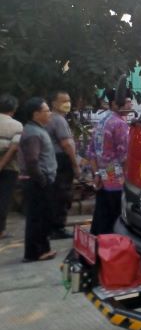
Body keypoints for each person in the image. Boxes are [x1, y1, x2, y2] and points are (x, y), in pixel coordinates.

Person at [88, 89, 131, 235]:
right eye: (127, 101)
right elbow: (124, 156)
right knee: (116, 218)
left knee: (101, 215)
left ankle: (96, 246)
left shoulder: (102, 121)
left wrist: (96, 173)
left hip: (103, 174)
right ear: (114, 104)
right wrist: (128, 179)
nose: (130, 104)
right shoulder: (120, 124)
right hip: (117, 177)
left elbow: (92, 152)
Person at [20, 97, 57, 262]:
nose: (50, 113)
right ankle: (37, 252)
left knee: (41, 217)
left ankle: (40, 250)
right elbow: (32, 160)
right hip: (37, 182)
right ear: (36, 114)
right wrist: (42, 179)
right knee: (38, 218)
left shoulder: (36, 129)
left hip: (39, 180)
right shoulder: (33, 133)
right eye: (47, 110)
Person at [46, 91, 81, 239]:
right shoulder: (58, 120)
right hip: (62, 160)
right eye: (63, 101)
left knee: (55, 194)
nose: (67, 104)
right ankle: (57, 228)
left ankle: (53, 227)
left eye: (68, 100)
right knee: (62, 195)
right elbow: (66, 145)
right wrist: (75, 165)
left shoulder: (51, 118)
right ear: (54, 103)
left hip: (53, 160)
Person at [0, 94, 23, 239]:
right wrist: (1, 164)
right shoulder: (17, 125)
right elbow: (14, 148)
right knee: (3, 198)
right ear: (13, 110)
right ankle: (1, 230)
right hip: (9, 168)